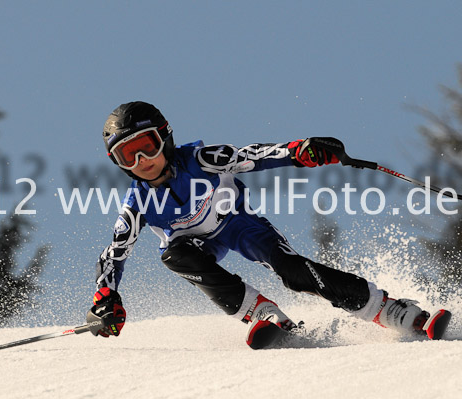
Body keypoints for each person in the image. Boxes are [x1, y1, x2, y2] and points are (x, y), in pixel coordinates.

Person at [86, 101, 451, 349]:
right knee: (173, 255)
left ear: (164, 136)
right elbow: (113, 255)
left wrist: (299, 151)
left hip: (238, 225)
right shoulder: (137, 204)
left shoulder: (202, 159)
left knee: (292, 271)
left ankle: (391, 310)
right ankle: (262, 313)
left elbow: (253, 156)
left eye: (146, 146)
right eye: (127, 155)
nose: (142, 160)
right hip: (197, 246)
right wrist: (105, 300)